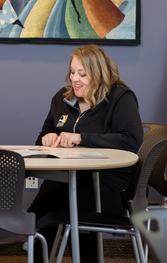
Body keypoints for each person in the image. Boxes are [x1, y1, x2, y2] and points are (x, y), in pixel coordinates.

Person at [28, 45, 143, 263]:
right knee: (42, 209)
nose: (75, 80)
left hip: (110, 184)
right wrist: (48, 139)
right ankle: (37, 254)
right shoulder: (61, 99)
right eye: (72, 72)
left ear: (99, 74)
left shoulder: (120, 96)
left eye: (83, 74)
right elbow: (40, 140)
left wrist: (82, 137)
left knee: (66, 202)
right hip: (66, 179)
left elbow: (131, 141)